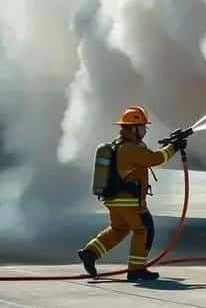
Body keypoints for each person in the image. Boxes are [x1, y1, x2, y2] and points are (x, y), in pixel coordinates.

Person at [77, 106, 188, 281]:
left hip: (116, 200)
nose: (145, 129)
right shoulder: (129, 149)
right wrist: (173, 147)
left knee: (118, 229)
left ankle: (90, 253)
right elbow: (155, 159)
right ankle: (136, 270)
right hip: (129, 202)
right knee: (143, 229)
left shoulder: (121, 146)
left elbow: (147, 156)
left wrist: (169, 144)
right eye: (142, 126)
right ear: (133, 128)